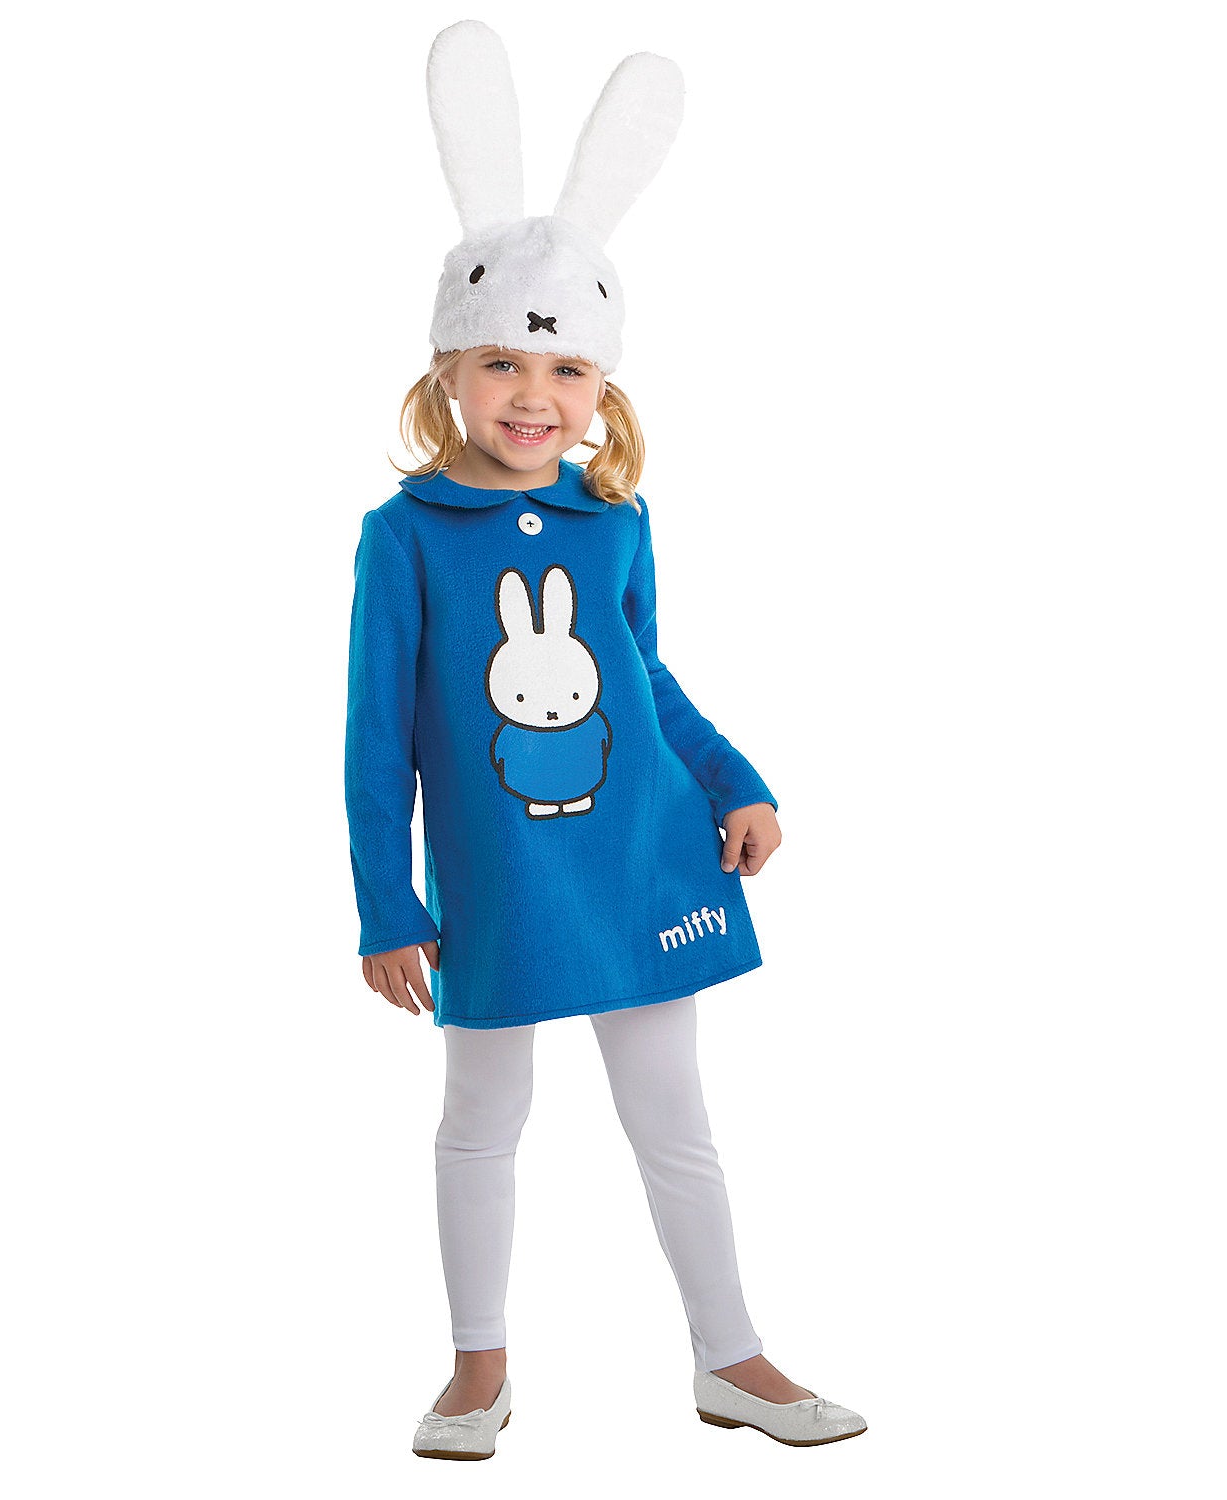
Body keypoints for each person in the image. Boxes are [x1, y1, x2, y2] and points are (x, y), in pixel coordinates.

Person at [343, 21, 867, 1460]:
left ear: (604, 387)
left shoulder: (617, 519)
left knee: (673, 1119)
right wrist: (387, 901)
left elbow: (644, 680)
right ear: (448, 370)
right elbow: (375, 737)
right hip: (498, 880)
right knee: (482, 1114)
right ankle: (478, 1368)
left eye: (565, 369)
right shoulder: (404, 538)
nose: (535, 397)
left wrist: (735, 780)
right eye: (502, 363)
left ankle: (733, 1358)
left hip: (642, 858)